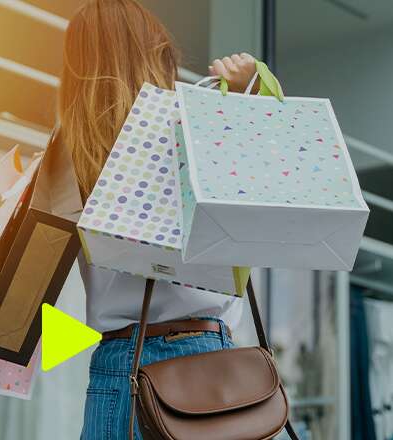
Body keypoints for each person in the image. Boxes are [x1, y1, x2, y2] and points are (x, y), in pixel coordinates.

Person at [54, 0, 260, 438]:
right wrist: (246, 102)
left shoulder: (66, 152)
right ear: (155, 53)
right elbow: (259, 204)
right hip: (203, 355)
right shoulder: (195, 126)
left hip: (117, 368)